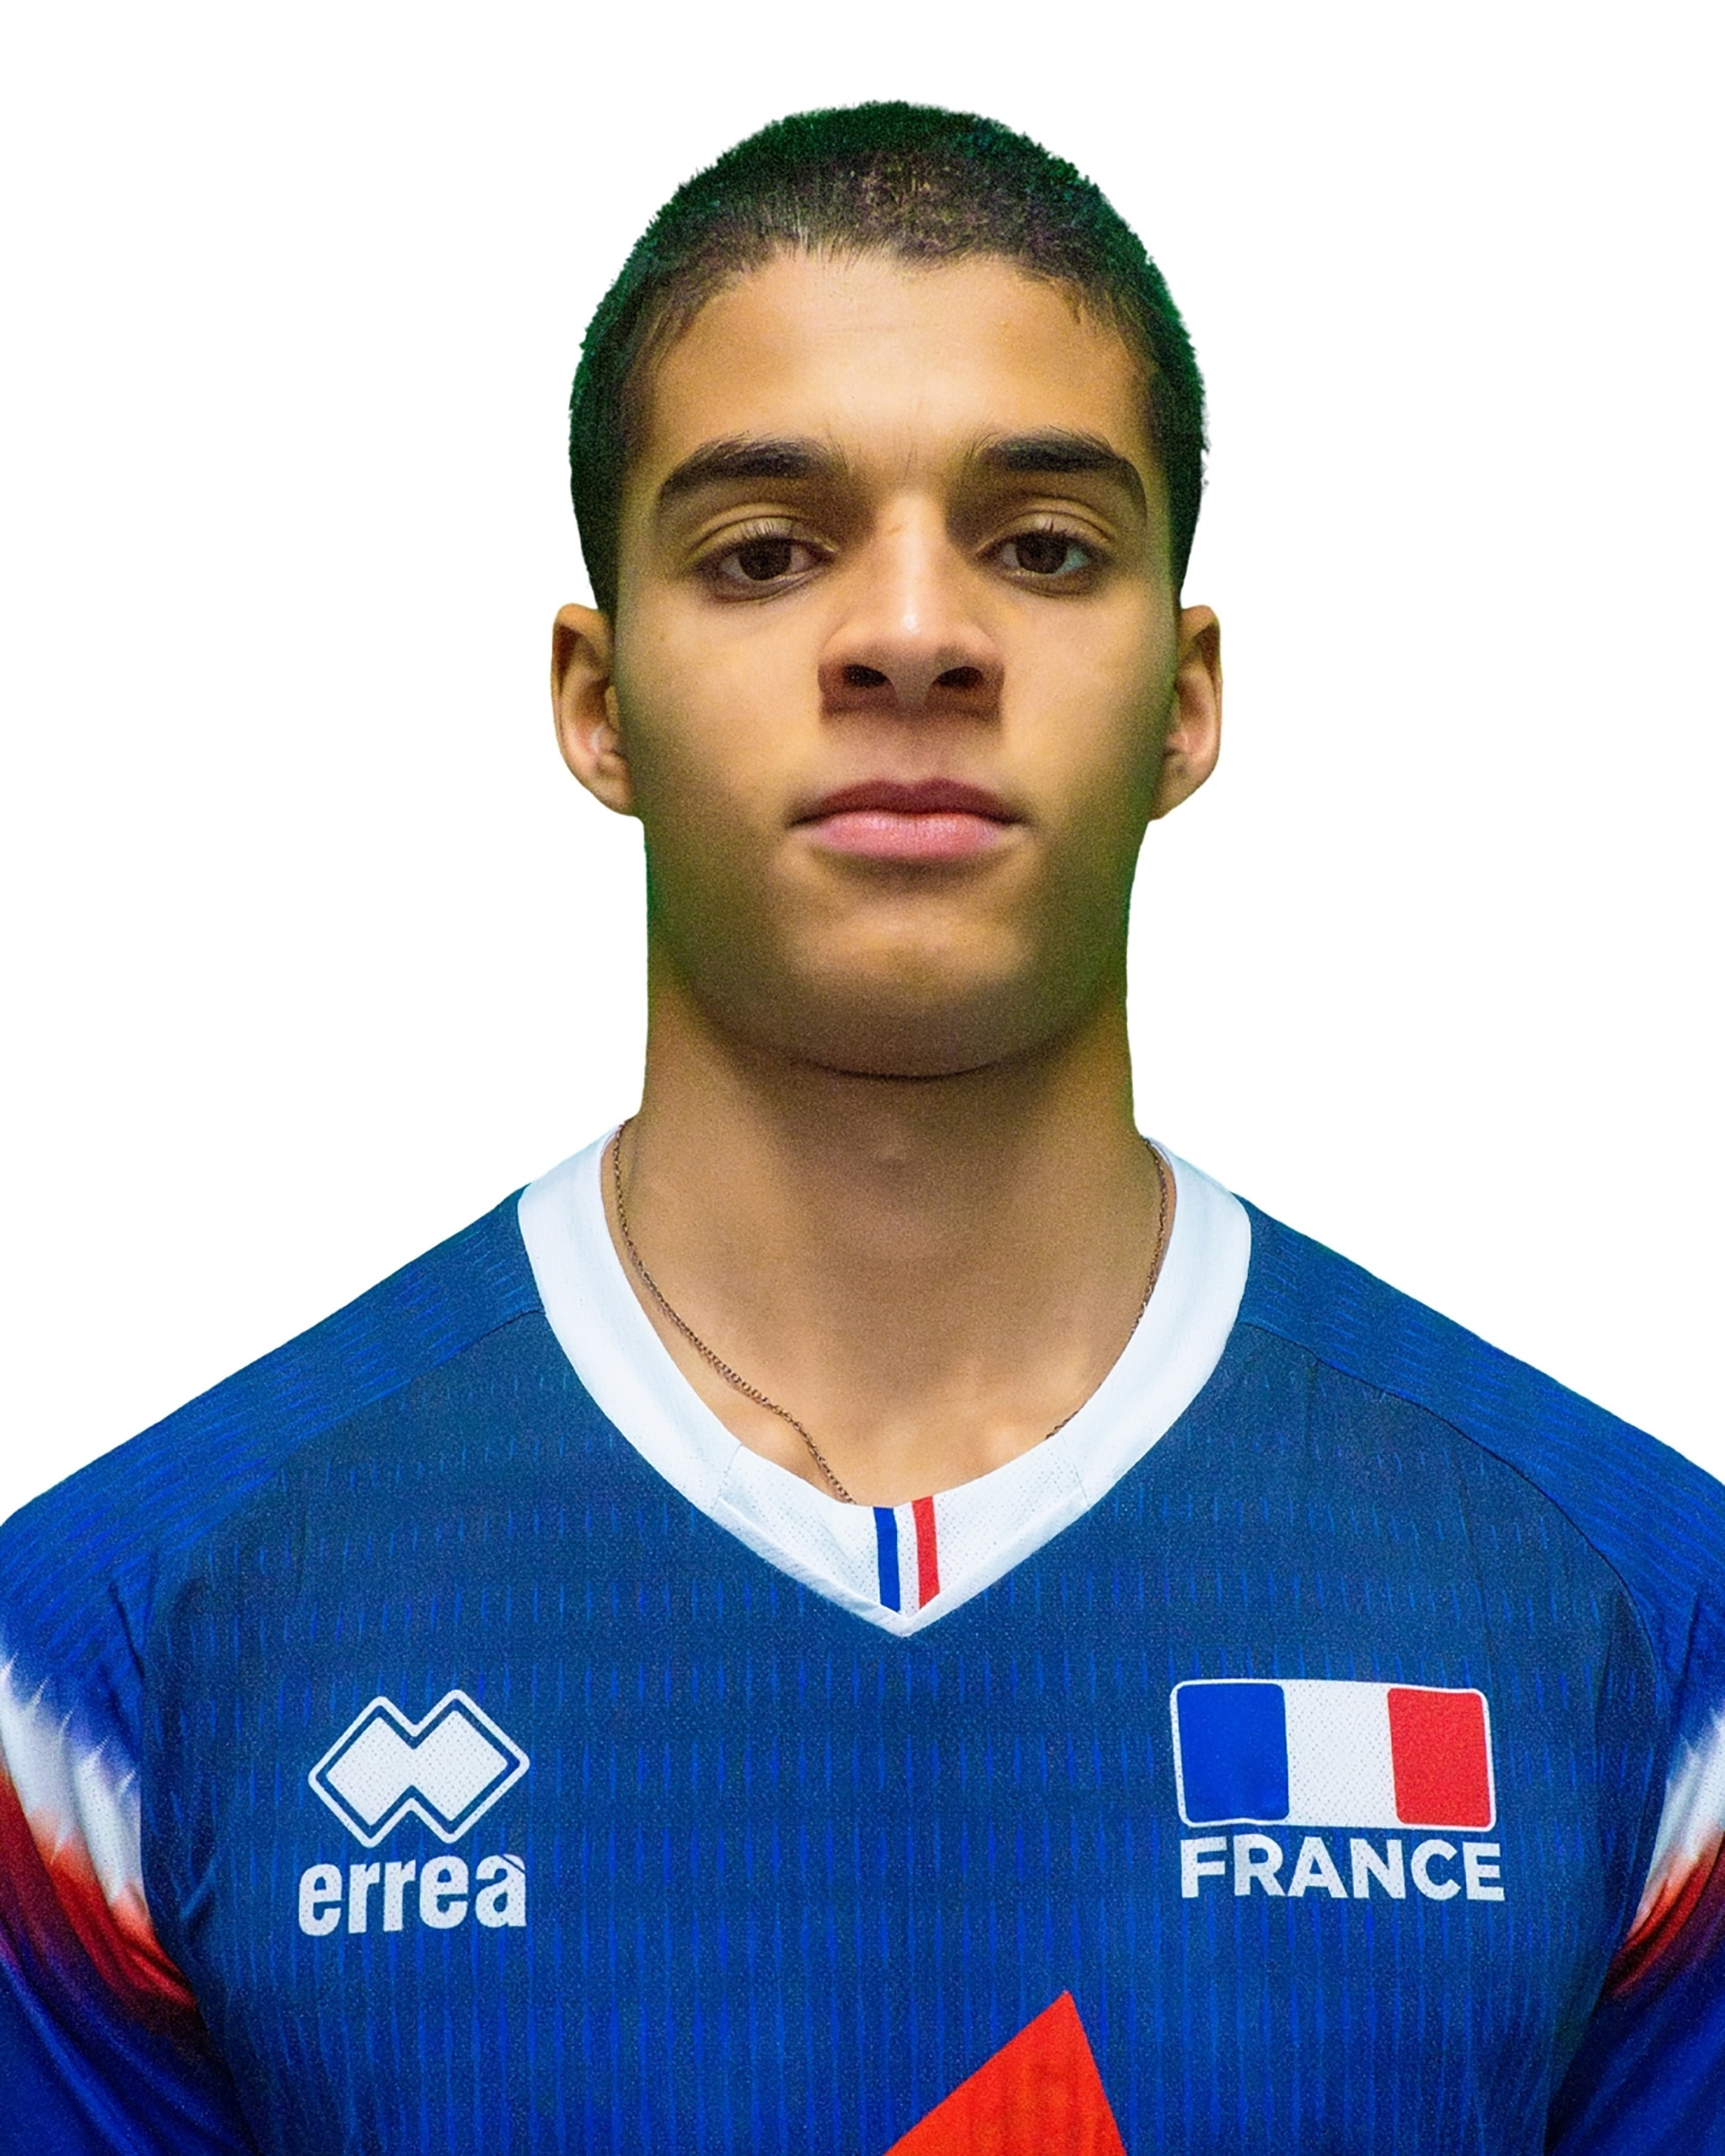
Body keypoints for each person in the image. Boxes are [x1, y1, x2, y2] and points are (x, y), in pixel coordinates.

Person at [1, 100, 1721, 2156]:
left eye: (1044, 544)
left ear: (1185, 698)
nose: (913, 632)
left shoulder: (1635, 1622)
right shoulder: (117, 1651)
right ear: (596, 699)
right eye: (764, 550)